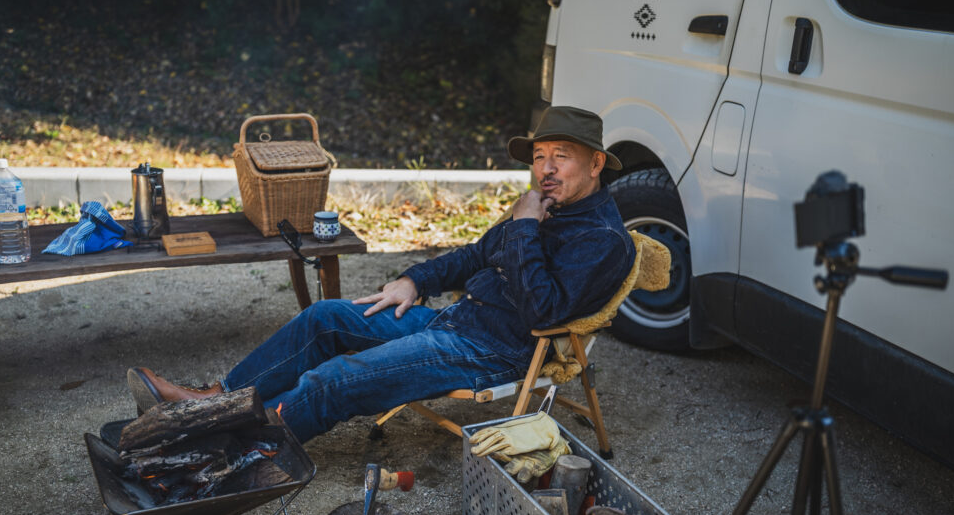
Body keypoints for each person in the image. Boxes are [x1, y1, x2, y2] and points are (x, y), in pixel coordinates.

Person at [128, 106, 635, 444]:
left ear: (596, 164)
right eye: (540, 157)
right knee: (324, 318)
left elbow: (542, 311)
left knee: (336, 379)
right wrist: (416, 280)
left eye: (560, 157)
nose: (545, 169)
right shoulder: (546, 206)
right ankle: (217, 398)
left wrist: (523, 226)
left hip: (494, 351)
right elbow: (474, 256)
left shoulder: (602, 240)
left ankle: (229, 435)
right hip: (456, 321)